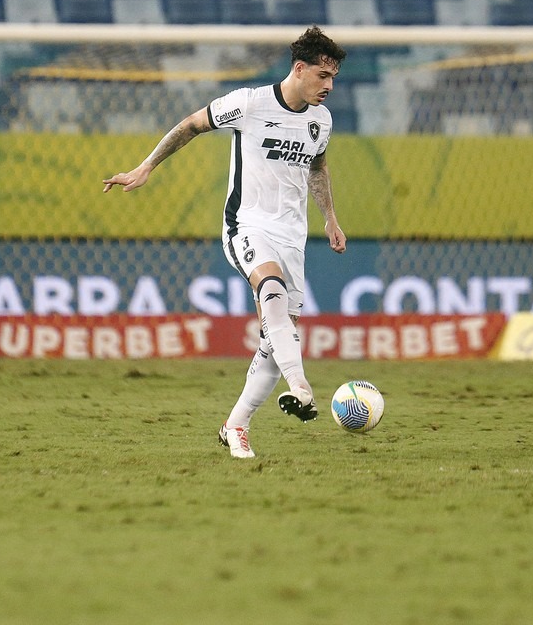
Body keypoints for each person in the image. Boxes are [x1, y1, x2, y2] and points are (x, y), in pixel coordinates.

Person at [102, 27, 348, 459]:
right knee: (269, 291)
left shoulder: (320, 120)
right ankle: (302, 387)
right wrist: (146, 167)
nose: (329, 86)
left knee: (276, 337)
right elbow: (191, 125)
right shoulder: (249, 104)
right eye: (323, 75)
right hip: (246, 224)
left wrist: (330, 217)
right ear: (299, 68)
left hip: (293, 236)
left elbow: (318, 167)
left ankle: (236, 425)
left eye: (334, 78)